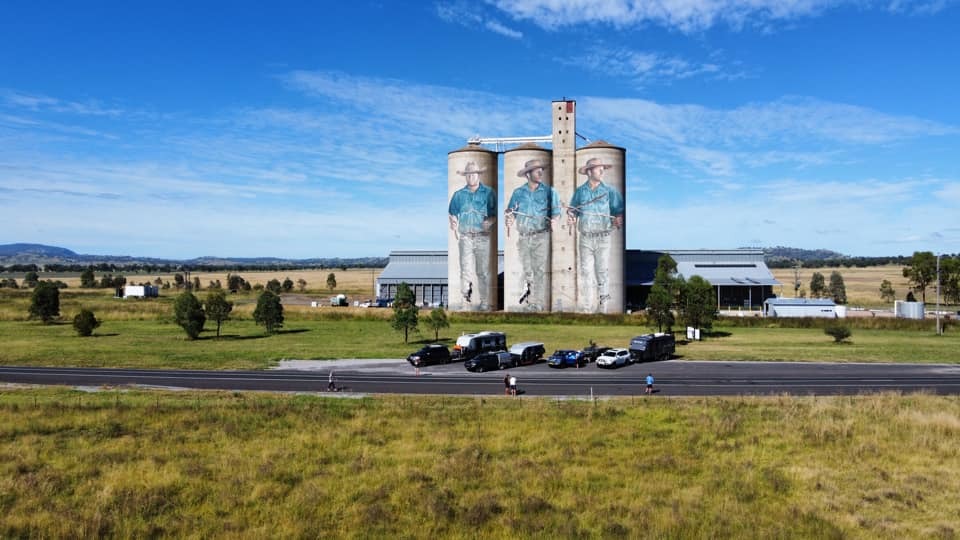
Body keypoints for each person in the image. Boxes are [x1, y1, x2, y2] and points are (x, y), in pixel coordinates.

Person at [567, 158, 624, 313]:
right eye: (599, 168)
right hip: (585, 237)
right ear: (589, 171)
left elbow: (618, 212)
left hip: (603, 237)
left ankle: (603, 309)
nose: (602, 171)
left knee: (602, 272)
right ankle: (587, 309)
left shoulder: (610, 192)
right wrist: (571, 216)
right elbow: (573, 210)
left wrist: (618, 220)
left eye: (602, 168)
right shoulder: (580, 192)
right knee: (586, 273)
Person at [505, 159, 561, 311]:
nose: (540, 172)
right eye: (537, 170)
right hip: (523, 236)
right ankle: (529, 301)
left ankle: (537, 304)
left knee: (539, 269)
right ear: (528, 174)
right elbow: (510, 211)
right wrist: (509, 218)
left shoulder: (550, 192)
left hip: (540, 236)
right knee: (527, 269)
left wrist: (555, 221)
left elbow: (556, 212)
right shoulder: (518, 193)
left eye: (541, 169)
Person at [448, 161, 497, 310]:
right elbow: (452, 212)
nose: (470, 177)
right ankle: (465, 301)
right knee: (465, 269)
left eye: (473, 174)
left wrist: (490, 221)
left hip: (482, 237)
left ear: (478, 175)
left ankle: (484, 302)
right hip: (466, 237)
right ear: (465, 176)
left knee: (482, 271)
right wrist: (453, 220)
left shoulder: (488, 193)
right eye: (467, 174)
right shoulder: (459, 195)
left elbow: (494, 214)